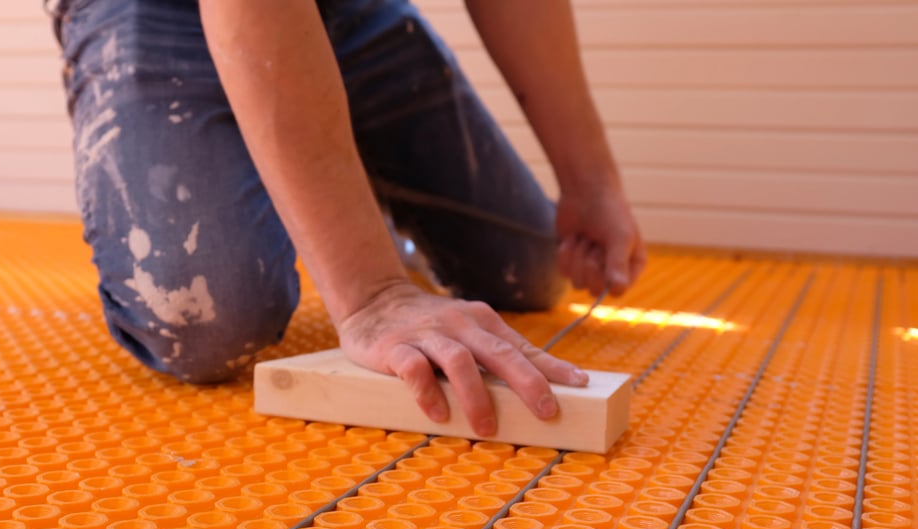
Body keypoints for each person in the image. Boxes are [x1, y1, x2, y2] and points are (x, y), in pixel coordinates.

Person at [49, 0, 645, 437]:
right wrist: (373, 295)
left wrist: (590, 182)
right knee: (207, 316)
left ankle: (326, 169)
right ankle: (290, 177)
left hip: (348, 11)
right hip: (149, 12)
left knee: (530, 271)